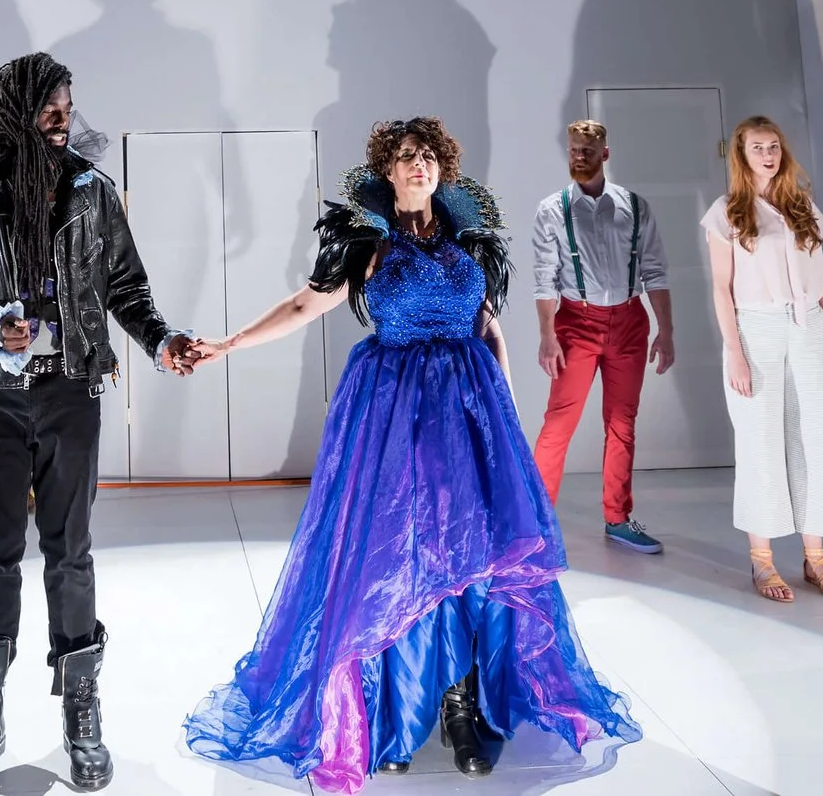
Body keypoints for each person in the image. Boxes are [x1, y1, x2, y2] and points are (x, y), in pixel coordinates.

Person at [183, 118, 639, 791]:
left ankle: (460, 707)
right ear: (389, 172)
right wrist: (227, 344)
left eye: (427, 155)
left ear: (440, 168)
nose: (418, 164)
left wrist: (507, 423)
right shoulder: (366, 241)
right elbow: (304, 305)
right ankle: (394, 709)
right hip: (392, 412)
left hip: (466, 410)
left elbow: (487, 326)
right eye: (405, 156)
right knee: (394, 553)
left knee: (465, 556)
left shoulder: (469, 237)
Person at [0, 52, 200, 795]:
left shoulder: (91, 191)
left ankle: (80, 707)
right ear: (17, 110)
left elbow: (126, 288)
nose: (61, 121)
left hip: (71, 390)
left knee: (69, 551)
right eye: (49, 109)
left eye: (67, 110)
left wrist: (161, 339)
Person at [705, 116, 823, 604]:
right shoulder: (726, 212)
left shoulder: (802, 207)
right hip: (756, 328)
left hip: (808, 326)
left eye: (773, 147)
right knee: (760, 440)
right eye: (757, 148)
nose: (767, 155)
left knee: (814, 439)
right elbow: (721, 289)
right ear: (741, 155)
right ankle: (762, 560)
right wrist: (735, 353)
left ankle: (816, 559)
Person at [529, 119, 676, 552]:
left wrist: (666, 330)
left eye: (588, 151)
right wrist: (547, 335)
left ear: (605, 154)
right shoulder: (552, 209)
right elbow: (544, 278)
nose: (580, 156)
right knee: (559, 422)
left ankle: (618, 518)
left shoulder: (634, 206)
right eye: (574, 150)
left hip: (630, 321)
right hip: (576, 322)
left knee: (622, 423)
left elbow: (655, 271)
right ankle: (535, 525)